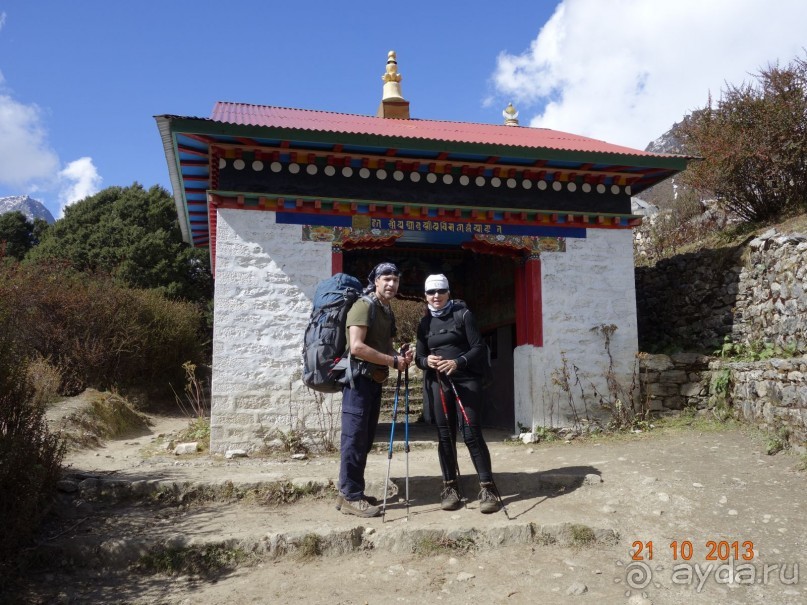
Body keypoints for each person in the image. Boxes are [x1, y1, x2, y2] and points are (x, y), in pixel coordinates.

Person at [415, 274, 501, 514]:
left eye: (440, 291)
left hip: (466, 380)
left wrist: (457, 362)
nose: (436, 296)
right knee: (444, 436)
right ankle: (450, 487)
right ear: (425, 296)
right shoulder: (424, 324)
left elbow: (478, 347)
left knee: (472, 433)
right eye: (431, 293)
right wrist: (426, 360)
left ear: (448, 293)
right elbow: (418, 357)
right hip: (439, 383)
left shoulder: (463, 315)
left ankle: (487, 488)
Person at [337, 262, 414, 517]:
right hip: (358, 382)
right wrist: (392, 361)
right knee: (354, 438)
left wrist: (399, 356)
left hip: (374, 382)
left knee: (365, 439)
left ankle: (350, 492)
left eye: (395, 279)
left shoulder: (387, 311)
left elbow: (386, 348)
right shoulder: (364, 305)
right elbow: (357, 347)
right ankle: (351, 495)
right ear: (376, 281)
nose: (391, 284)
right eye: (387, 279)